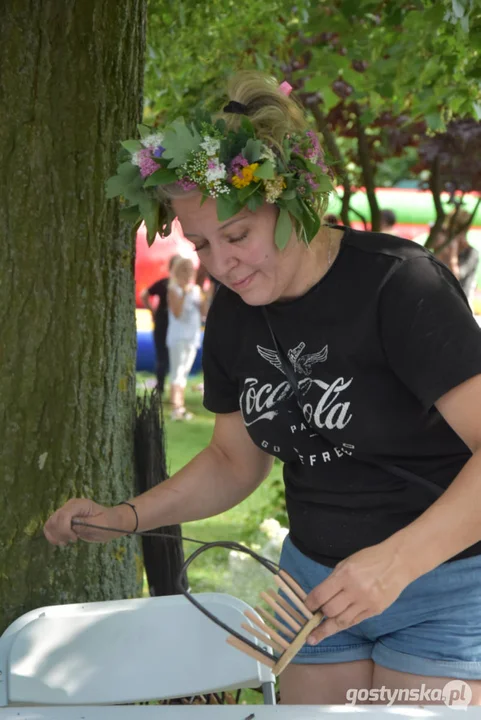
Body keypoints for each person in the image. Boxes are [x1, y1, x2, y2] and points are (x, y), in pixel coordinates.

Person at [45, 72, 481, 705]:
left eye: (238, 235)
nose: (221, 264)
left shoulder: (400, 287)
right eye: (201, 243)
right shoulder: (235, 310)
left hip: (442, 588)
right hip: (310, 587)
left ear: (294, 203)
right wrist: (125, 518)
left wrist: (397, 562)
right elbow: (232, 460)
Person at [167, 257, 206, 420]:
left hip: (192, 337)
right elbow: (176, 312)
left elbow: (205, 311)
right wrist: (184, 292)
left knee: (184, 373)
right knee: (177, 372)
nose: (188, 275)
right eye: (185, 271)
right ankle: (176, 407)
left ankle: (179, 407)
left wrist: (205, 294)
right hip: (178, 338)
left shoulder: (196, 290)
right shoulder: (173, 289)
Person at [140, 254, 181, 395]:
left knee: (162, 356)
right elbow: (144, 294)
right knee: (169, 356)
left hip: (163, 321)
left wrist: (152, 310)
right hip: (171, 323)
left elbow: (144, 294)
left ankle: (162, 386)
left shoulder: (165, 283)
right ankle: (169, 387)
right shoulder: (178, 286)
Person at [444, 209, 480, 308]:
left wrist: (452, 254)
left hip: (462, 308)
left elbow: (456, 277)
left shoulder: (471, 253)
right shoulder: (443, 250)